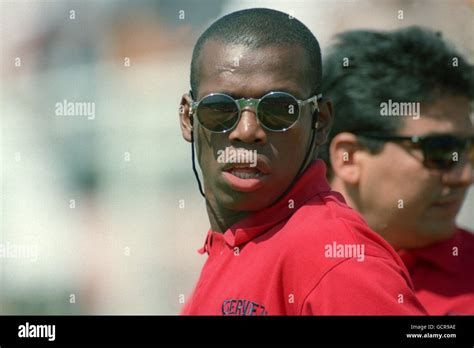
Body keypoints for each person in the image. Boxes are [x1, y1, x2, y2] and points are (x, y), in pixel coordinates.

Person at [179, 8, 426, 315]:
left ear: (320, 121)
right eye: (220, 109)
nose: (246, 131)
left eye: (279, 109)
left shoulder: (337, 262)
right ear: (188, 118)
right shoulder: (234, 245)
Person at [320, 26, 474, 315]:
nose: (465, 176)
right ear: (349, 157)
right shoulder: (276, 262)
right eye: (439, 151)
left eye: (470, 150)